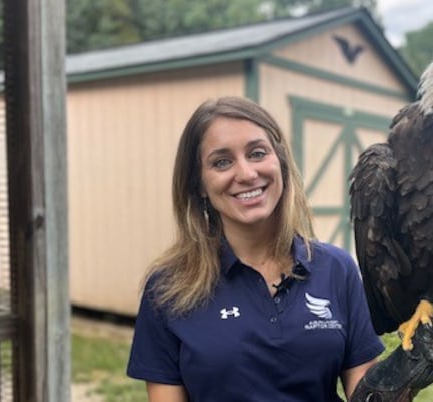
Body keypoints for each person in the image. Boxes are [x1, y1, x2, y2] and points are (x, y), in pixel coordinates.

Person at [126, 96, 384, 401]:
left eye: (257, 153)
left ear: (281, 163)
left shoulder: (336, 270)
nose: (247, 174)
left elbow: (368, 393)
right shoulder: (168, 289)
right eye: (222, 162)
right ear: (199, 184)